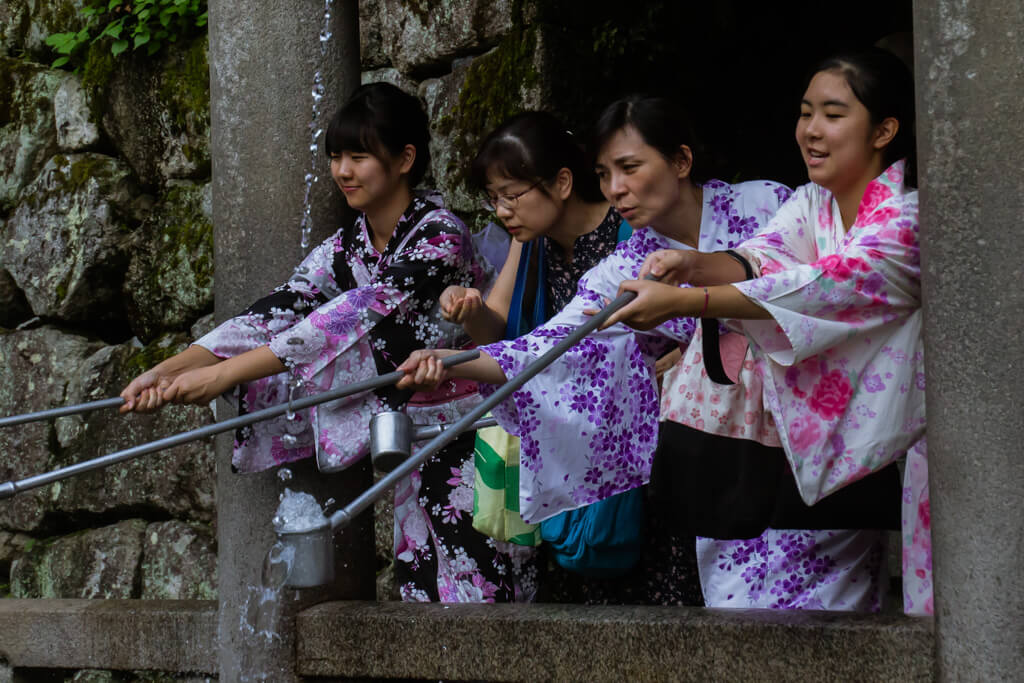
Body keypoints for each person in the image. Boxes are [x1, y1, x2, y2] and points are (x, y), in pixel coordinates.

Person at [119, 82, 536, 604]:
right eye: (337, 156)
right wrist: (174, 367)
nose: (343, 171)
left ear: (405, 158)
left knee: (485, 589)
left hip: (478, 435)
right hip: (411, 442)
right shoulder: (347, 247)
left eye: (359, 156)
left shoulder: (441, 235)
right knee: (424, 596)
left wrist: (222, 376)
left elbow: (355, 316)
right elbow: (282, 307)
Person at [398, 95, 792, 605]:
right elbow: (553, 344)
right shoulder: (630, 260)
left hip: (804, 438)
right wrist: (449, 363)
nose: (615, 189)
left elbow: (820, 289)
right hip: (726, 460)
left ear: (681, 161)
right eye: (605, 173)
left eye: (629, 168)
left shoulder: (771, 204)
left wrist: (691, 303)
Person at [600, 49, 930, 614]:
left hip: (897, 447)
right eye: (805, 113)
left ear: (885, 129)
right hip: (793, 455)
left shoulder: (907, 221)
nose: (811, 131)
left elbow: (816, 287)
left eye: (832, 114)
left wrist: (688, 298)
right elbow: (763, 256)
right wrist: (694, 265)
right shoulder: (810, 205)